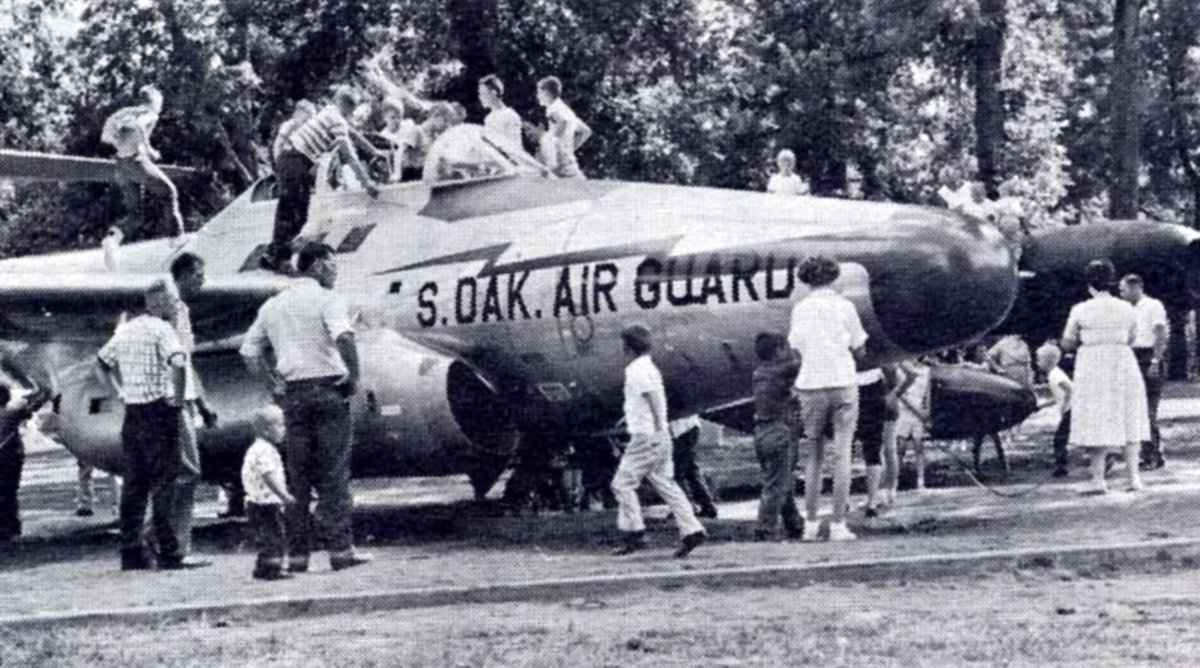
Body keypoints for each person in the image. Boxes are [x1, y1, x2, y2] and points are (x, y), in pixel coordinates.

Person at [240, 242, 372, 572]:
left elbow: (249, 352)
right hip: (329, 391)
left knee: (296, 477)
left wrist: (273, 385)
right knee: (334, 474)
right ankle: (341, 550)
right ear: (316, 266)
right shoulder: (328, 299)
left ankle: (298, 555)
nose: (335, 270)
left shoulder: (273, 305)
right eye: (331, 264)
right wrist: (354, 376)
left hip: (293, 396)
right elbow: (344, 337)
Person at [97, 281, 198, 570]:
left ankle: (130, 549)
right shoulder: (162, 330)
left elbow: (101, 362)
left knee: (135, 483)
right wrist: (177, 400)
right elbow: (178, 363)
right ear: (157, 302)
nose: (175, 306)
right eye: (171, 301)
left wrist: (118, 390)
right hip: (159, 411)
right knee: (165, 481)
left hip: (133, 413)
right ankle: (169, 549)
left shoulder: (125, 330)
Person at [609, 325, 706, 558]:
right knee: (664, 482)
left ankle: (635, 531)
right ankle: (692, 529)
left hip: (646, 436)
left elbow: (652, 399)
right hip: (658, 435)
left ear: (627, 347)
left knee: (621, 483)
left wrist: (656, 428)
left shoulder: (635, 370)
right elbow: (649, 400)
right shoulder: (649, 367)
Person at [789, 256, 867, 542]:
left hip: (810, 383)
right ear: (834, 277)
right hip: (842, 381)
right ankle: (837, 524)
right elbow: (859, 348)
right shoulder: (845, 306)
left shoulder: (800, 309)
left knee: (814, 455)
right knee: (843, 453)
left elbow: (796, 349)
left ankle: (810, 523)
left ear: (806, 279)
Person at [262, 87, 383, 273]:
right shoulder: (337, 121)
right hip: (296, 161)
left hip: (290, 158)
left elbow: (353, 134)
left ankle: (277, 255)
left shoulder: (327, 112)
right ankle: (276, 256)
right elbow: (348, 155)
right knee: (294, 210)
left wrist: (373, 150)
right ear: (350, 108)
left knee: (296, 210)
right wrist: (367, 183)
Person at [1060, 260, 1149, 495]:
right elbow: (1132, 338)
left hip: (1092, 362)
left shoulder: (1080, 309)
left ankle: (1099, 479)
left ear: (1088, 282)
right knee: (1129, 413)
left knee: (1095, 415)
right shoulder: (1127, 308)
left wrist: (1081, 340)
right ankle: (1133, 478)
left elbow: (1067, 342)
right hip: (1122, 359)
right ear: (1111, 280)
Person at [165, 253, 218, 562]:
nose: (203, 281)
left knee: (181, 472)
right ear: (182, 276)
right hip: (173, 402)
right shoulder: (172, 311)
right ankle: (170, 547)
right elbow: (174, 361)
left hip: (182, 400)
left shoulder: (181, 311)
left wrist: (203, 403)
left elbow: (185, 361)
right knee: (186, 472)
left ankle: (166, 544)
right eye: (198, 274)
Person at [100, 85, 185, 237]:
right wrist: (149, 148)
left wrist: (119, 142)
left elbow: (105, 136)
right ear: (153, 101)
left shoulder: (126, 112)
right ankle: (177, 237)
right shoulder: (151, 113)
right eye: (160, 103)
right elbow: (140, 125)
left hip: (120, 165)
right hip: (135, 162)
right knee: (170, 192)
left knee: (135, 215)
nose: (161, 107)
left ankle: (112, 238)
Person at [751, 332, 804, 541]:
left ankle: (794, 523)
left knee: (780, 481)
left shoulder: (759, 372)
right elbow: (803, 363)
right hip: (779, 431)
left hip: (762, 432)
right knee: (776, 485)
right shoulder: (782, 371)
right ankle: (764, 530)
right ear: (778, 351)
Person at [241, 405, 297, 581]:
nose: (284, 430)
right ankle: (272, 569)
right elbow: (268, 476)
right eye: (280, 426)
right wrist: (284, 496)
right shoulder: (264, 450)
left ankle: (263, 567)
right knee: (274, 537)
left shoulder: (257, 448)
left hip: (255, 502)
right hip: (265, 503)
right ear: (266, 430)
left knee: (265, 537)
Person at [1119, 274, 1168, 470]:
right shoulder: (1124, 309)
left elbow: (1160, 334)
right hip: (1131, 356)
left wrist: (1155, 360)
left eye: (1123, 290)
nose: (1121, 294)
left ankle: (1154, 454)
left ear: (1136, 287)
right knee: (1134, 410)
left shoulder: (1153, 306)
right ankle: (1145, 453)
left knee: (1148, 410)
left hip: (1148, 356)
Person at [0, 384, 51, 541]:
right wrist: (45, 391)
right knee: (9, 492)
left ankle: (6, 527)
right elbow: (33, 406)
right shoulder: (11, 412)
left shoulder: (9, 413)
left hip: (7, 454)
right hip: (12, 454)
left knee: (4, 493)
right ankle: (11, 527)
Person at [536, 76, 592, 179]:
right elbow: (585, 131)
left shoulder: (552, 110)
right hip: (568, 162)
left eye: (539, 93)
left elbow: (563, 121)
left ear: (546, 93)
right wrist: (569, 149)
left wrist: (552, 143)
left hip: (560, 166)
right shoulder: (566, 110)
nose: (538, 96)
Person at [893, 357, 932, 492]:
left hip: (919, 413)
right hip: (904, 411)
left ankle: (921, 481)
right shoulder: (901, 370)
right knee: (900, 447)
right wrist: (916, 410)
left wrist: (926, 413)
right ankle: (895, 481)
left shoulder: (927, 371)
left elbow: (927, 395)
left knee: (919, 446)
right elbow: (900, 394)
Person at [669, 415, 718, 519]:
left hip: (680, 430)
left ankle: (685, 508)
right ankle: (708, 506)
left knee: (677, 472)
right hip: (691, 427)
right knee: (690, 470)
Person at [856, 367, 890, 517]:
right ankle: (872, 502)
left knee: (843, 449)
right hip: (873, 387)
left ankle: (843, 501)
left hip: (847, 384)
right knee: (873, 450)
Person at [1037, 343, 1073, 478]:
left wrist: (1065, 406)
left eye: (1038, 359)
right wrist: (1042, 406)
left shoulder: (1054, 375)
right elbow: (1058, 397)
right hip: (1071, 409)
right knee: (1065, 438)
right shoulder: (1054, 373)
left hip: (1071, 410)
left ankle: (1061, 467)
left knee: (1060, 439)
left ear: (1047, 361)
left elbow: (1070, 390)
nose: (1037, 362)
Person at [479, 75, 523, 148]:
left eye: (483, 93)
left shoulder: (510, 115)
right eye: (480, 94)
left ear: (494, 93)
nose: (480, 97)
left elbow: (515, 146)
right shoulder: (489, 118)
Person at [272, 100, 317, 165]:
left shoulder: (304, 129)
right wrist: (278, 159)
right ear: (301, 113)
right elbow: (278, 143)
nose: (309, 119)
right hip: (284, 157)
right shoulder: (290, 125)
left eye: (311, 117)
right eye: (308, 115)